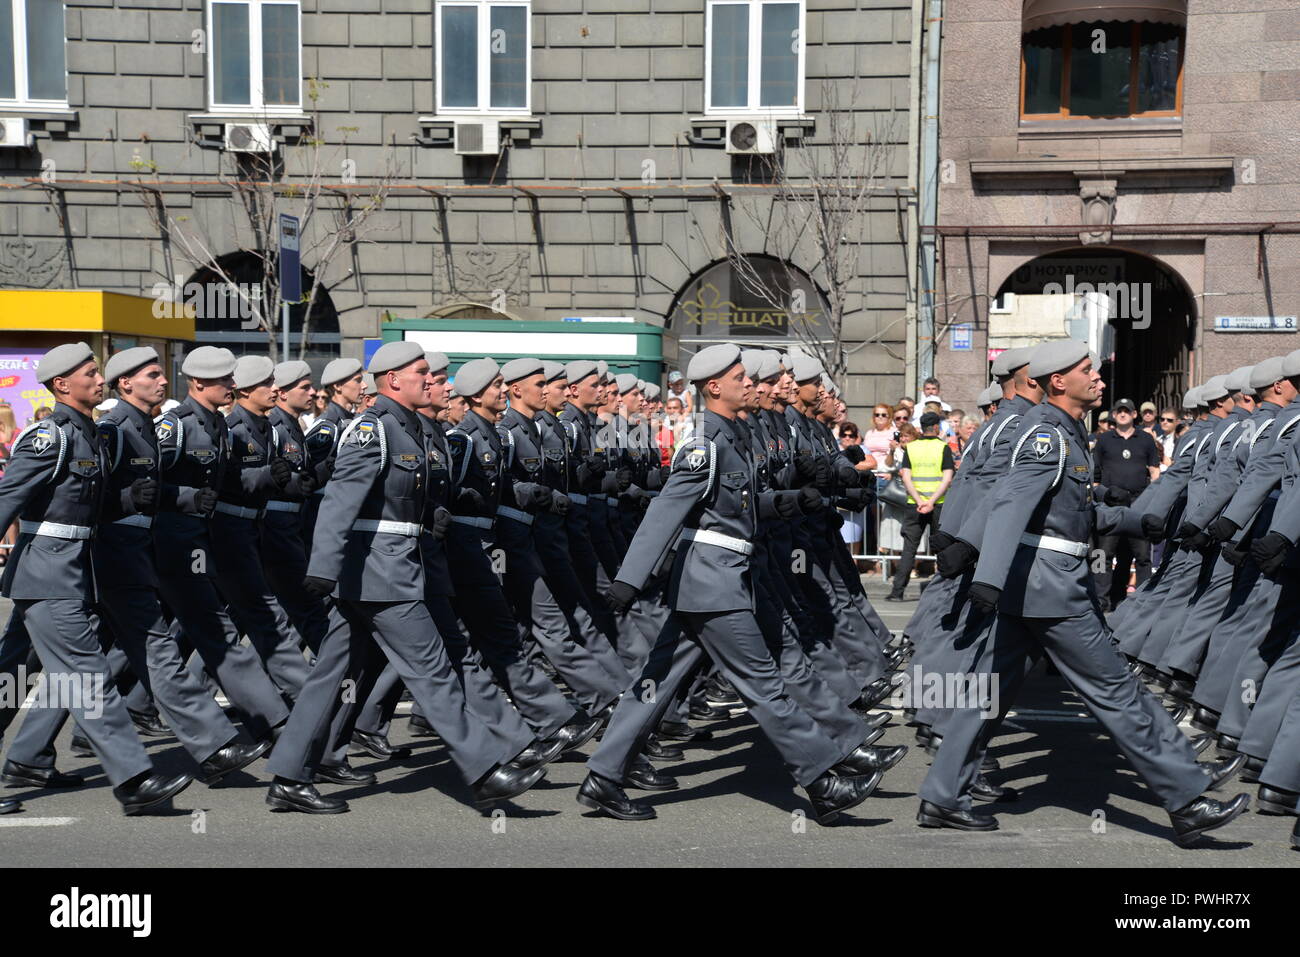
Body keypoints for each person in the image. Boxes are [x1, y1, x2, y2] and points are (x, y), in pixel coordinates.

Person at [917, 339, 1250, 847]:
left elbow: (1071, 514)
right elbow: (1010, 503)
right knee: (1117, 692)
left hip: (1033, 584)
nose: (1097, 378)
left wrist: (1138, 517)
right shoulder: (1048, 436)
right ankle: (1187, 799)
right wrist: (986, 577)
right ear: (1058, 382)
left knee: (987, 694)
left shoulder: (1064, 431)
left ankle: (943, 796)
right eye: (1086, 370)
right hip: (1049, 588)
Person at [577, 343, 897, 824]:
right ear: (714, 387)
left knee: (656, 681)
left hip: (724, 578)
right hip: (713, 583)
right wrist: (628, 581)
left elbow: (740, 507)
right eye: (740, 377)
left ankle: (602, 778)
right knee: (764, 684)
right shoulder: (705, 443)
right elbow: (668, 509)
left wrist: (792, 501)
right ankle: (824, 779)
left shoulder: (734, 437)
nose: (752, 383)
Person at [266, 341, 548, 813]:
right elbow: (339, 500)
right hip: (380, 571)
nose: (434, 380)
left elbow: (400, 500)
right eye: (423, 372)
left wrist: (431, 518)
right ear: (393, 379)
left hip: (390, 567)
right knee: (433, 671)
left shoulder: (413, 428)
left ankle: (289, 777)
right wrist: (321, 567)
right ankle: (484, 769)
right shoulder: (372, 429)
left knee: (328, 677)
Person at [0, 342, 194, 816]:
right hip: (48, 573)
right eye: (90, 372)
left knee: (13, 676)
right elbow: (7, 497)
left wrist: (131, 499)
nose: (99, 378)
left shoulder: (91, 434)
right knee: (87, 674)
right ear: (63, 384)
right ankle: (133, 778)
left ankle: (28, 760)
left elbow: (94, 506)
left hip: (69, 571)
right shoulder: (52, 436)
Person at [1091, 397, 1161, 610]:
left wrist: (1152, 502)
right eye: (1119, 411)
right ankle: (1101, 601)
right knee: (1102, 555)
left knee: (1140, 557)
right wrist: (1102, 495)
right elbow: (1094, 475)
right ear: (1113, 415)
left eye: (1126, 411)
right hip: (1109, 507)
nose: (1122, 414)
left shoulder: (1145, 439)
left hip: (1137, 505)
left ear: (1134, 415)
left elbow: (1155, 473)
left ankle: (1140, 603)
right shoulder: (1104, 440)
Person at [886, 411, 954, 601]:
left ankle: (897, 592)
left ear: (922, 428)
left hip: (914, 505)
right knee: (941, 548)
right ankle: (943, 593)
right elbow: (947, 478)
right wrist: (931, 502)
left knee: (909, 548)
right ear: (936, 428)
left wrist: (918, 500)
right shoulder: (943, 447)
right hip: (937, 504)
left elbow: (905, 476)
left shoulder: (912, 447)